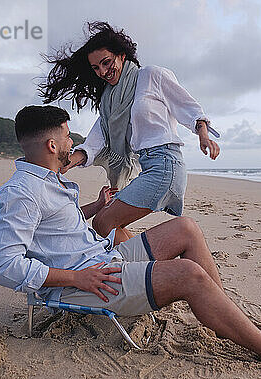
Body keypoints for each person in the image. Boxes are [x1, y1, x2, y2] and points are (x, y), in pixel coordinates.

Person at [0, 105, 261, 365]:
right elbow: (3, 266)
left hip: (101, 258)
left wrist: (94, 207)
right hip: (84, 281)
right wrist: (76, 278)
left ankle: (226, 314)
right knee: (188, 274)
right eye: (68, 136)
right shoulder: (21, 193)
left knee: (186, 227)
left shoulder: (49, 181)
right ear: (52, 145)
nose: (73, 142)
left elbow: (57, 228)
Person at [39, 21, 220, 245]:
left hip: (166, 164)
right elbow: (99, 135)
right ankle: (151, 267)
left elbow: (189, 108)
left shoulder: (152, 76)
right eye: (96, 68)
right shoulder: (109, 99)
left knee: (103, 222)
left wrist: (203, 134)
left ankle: (147, 270)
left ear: (122, 55)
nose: (103, 72)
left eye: (106, 63)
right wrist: (70, 162)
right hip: (146, 167)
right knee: (114, 224)